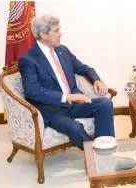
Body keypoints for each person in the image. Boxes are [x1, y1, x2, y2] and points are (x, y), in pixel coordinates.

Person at [18, 14, 115, 150]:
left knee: (105, 104)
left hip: (74, 103)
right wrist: (67, 97)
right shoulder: (28, 59)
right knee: (75, 128)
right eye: (56, 31)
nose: (61, 34)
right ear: (43, 35)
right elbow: (32, 91)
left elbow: (83, 68)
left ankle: (107, 147)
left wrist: (97, 79)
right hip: (52, 109)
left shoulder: (62, 50)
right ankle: (99, 156)